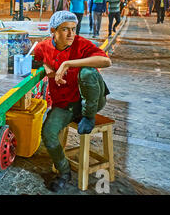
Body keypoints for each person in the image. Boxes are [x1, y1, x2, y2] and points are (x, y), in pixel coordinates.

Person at [33, 11, 111, 192]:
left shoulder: (80, 43)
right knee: (48, 133)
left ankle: (88, 117)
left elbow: (106, 61)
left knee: (87, 72)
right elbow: (34, 58)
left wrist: (68, 64)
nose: (71, 34)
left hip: (93, 99)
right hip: (65, 104)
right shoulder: (44, 46)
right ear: (53, 30)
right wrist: (45, 66)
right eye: (65, 29)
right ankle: (64, 172)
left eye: (73, 29)